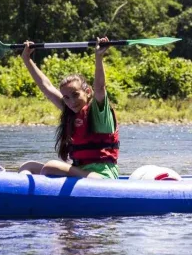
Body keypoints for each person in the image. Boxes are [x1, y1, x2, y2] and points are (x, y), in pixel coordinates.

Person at [16, 37, 119, 179]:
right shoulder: (70, 111)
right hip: (80, 172)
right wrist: (27, 59)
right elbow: (47, 87)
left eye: (75, 95)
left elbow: (100, 88)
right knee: (28, 166)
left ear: (88, 92)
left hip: (102, 177)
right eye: (66, 98)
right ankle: (19, 192)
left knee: (51, 166)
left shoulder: (99, 111)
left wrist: (99, 56)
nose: (71, 102)